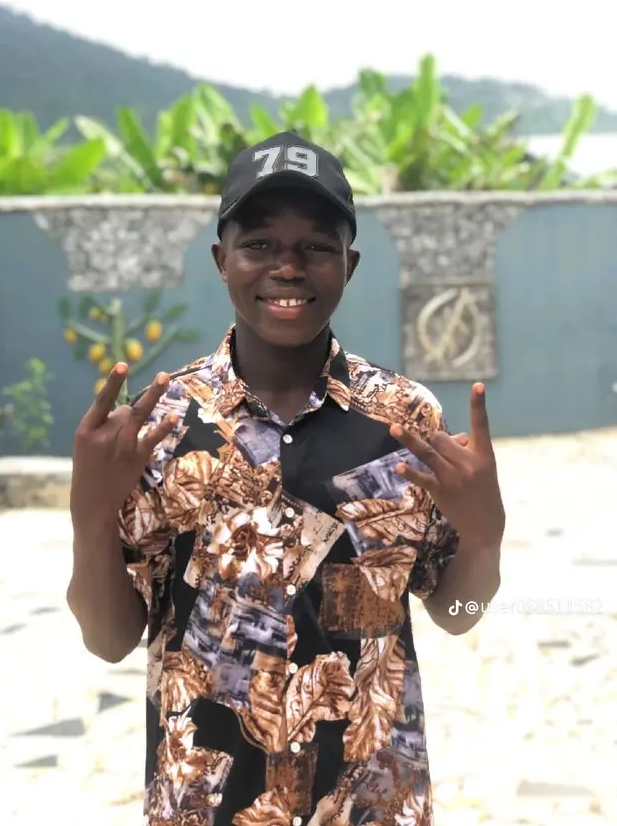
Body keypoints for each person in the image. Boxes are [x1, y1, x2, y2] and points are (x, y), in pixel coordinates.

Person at [67, 132, 505, 826]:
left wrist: (485, 541)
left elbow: (459, 614)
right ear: (222, 259)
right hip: (202, 807)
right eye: (261, 244)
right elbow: (108, 639)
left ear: (349, 264)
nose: (288, 267)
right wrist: (89, 519)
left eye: (316, 247)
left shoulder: (405, 420)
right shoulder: (163, 426)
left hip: (370, 806)